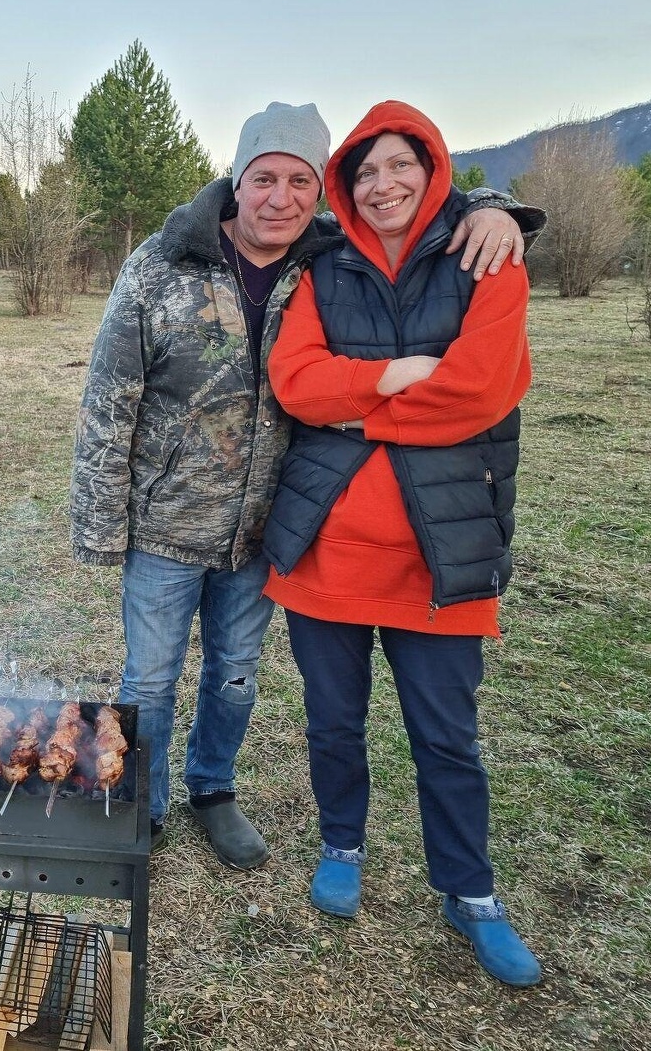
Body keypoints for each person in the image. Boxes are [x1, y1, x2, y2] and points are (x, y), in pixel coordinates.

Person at [70, 102, 543, 871]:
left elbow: (424, 213)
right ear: (237, 180)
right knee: (149, 678)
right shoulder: (162, 264)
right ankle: (140, 808)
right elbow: (110, 395)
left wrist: (497, 210)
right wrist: (99, 522)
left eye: (300, 181)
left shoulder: (322, 255)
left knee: (235, 674)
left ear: (320, 192)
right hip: (165, 522)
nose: (280, 198)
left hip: (268, 521)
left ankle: (212, 789)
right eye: (264, 179)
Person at [260, 100, 540, 985]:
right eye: (366, 170)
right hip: (327, 550)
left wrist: (362, 410)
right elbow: (296, 383)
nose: (383, 184)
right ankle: (341, 844)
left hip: (440, 552)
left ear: (432, 169)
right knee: (332, 721)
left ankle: (470, 891)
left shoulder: (487, 257)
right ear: (345, 186)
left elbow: (480, 390)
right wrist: (393, 373)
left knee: (447, 736)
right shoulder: (323, 268)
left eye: (399, 165)